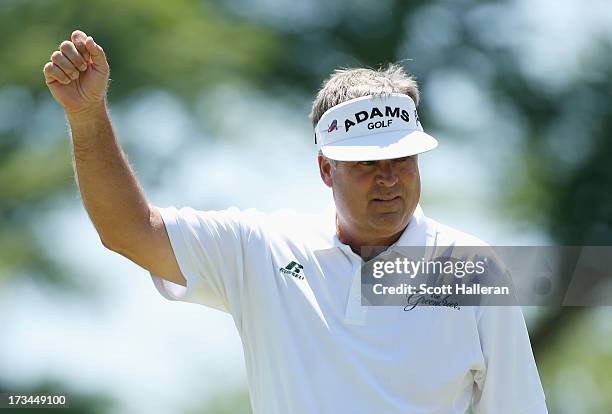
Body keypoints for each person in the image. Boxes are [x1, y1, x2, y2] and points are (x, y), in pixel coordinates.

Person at [44, 30, 548, 414]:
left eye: (403, 159)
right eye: (367, 163)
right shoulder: (262, 249)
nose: (389, 180)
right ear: (326, 169)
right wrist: (87, 117)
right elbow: (128, 231)